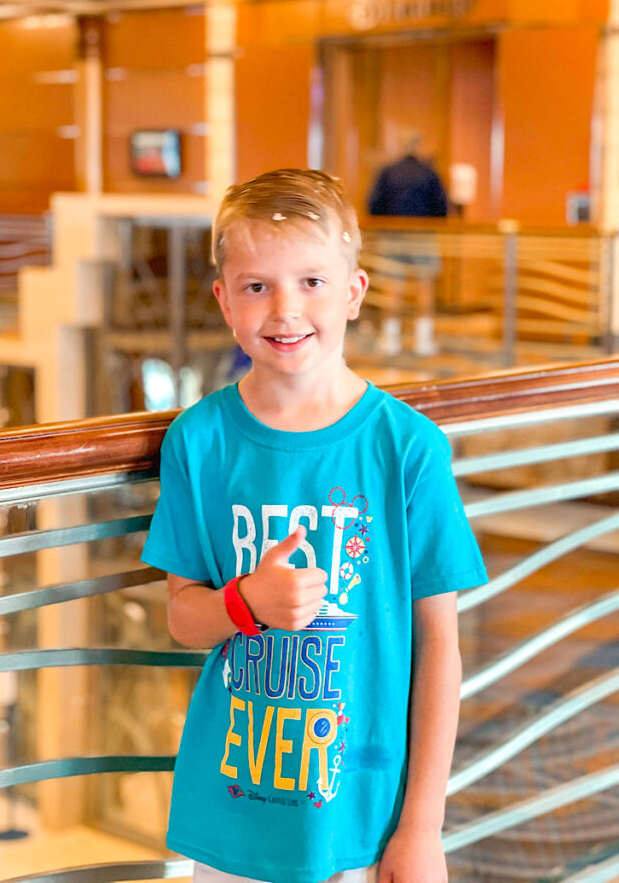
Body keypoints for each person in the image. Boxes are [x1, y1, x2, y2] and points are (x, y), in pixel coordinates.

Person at [142, 169, 487, 883]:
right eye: (257, 286)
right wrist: (248, 603)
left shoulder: (406, 449)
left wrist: (423, 827)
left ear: (354, 292)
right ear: (224, 302)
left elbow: (439, 648)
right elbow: (183, 617)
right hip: (236, 807)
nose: (284, 310)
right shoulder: (198, 442)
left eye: (311, 282)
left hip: (364, 815)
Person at [366, 133, 447, 357]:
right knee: (425, 286)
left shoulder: (388, 171)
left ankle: (390, 337)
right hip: (422, 235)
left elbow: (373, 205)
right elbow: (441, 207)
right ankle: (424, 338)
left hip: (392, 235)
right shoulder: (429, 172)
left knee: (392, 287)